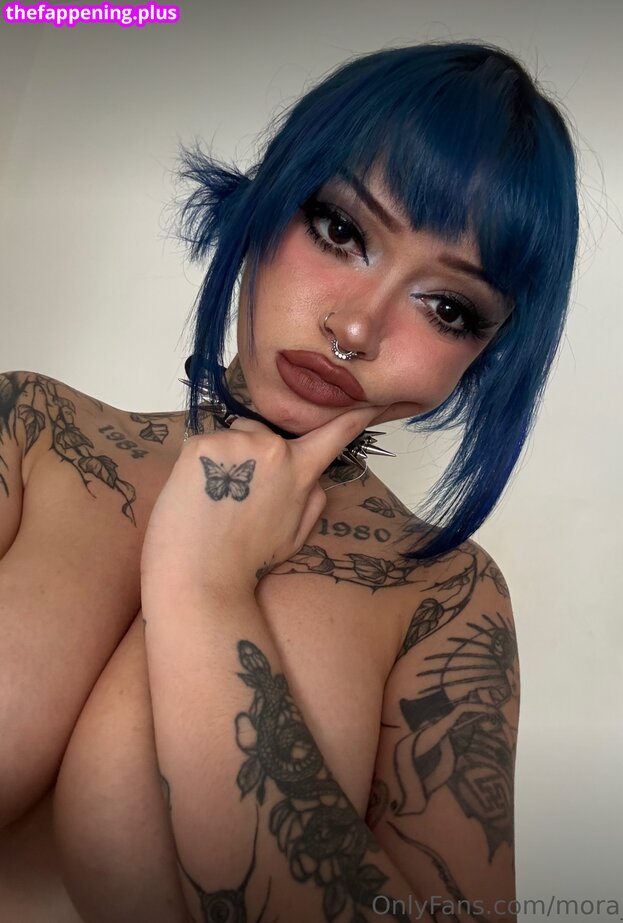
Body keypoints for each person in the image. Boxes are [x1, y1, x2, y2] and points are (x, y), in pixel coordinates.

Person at [0, 41, 578, 923]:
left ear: (485, 353)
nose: (356, 328)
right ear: (268, 197)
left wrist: (206, 588)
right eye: (341, 230)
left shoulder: (443, 596)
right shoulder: (32, 432)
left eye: (446, 306)